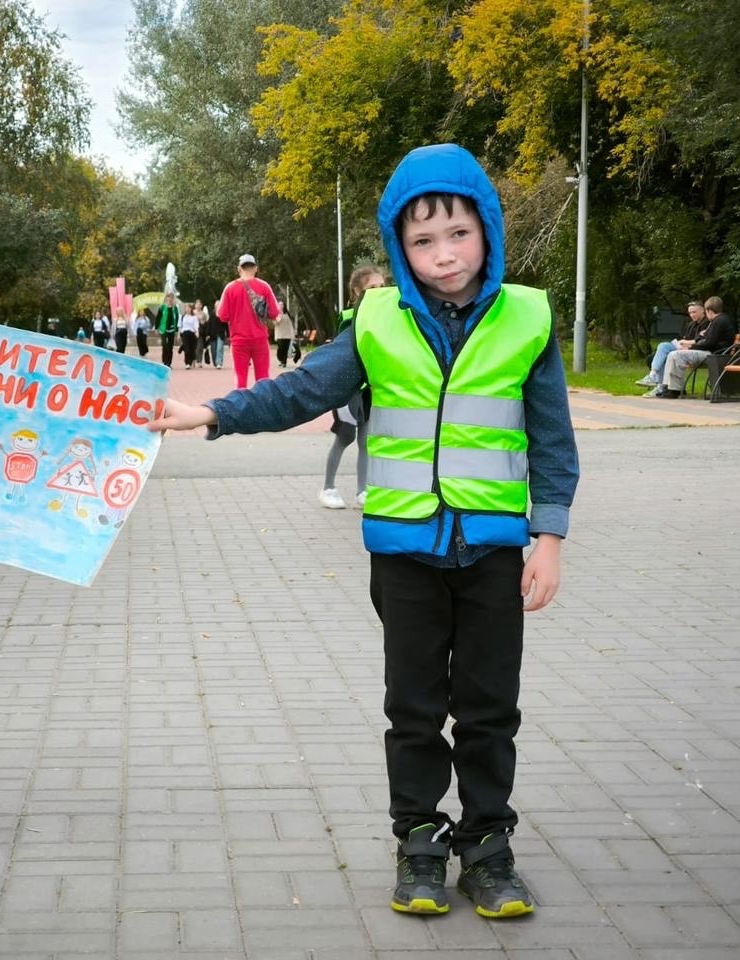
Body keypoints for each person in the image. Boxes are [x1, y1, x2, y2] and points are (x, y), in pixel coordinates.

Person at [149, 144, 578, 920]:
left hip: (493, 554)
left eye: (458, 233)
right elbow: (303, 389)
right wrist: (211, 412)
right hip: (406, 555)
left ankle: (487, 847)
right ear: (397, 246)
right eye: (421, 240)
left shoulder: (528, 317)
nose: (443, 254)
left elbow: (552, 442)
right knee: (413, 707)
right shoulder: (375, 320)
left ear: (488, 230)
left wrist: (548, 538)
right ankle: (418, 841)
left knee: (488, 709)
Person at [319, 264, 385, 510]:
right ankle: (328, 487)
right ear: (357, 291)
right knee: (344, 437)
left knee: (365, 441)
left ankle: (362, 491)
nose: (379, 291)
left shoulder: (387, 318)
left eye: (382, 286)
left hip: (371, 390)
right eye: (372, 287)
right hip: (349, 392)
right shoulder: (350, 319)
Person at [650, 295, 737, 398]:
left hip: (715, 354)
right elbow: (705, 339)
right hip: (712, 352)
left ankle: (674, 390)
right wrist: (699, 340)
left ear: (709, 311)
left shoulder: (719, 321)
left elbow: (709, 343)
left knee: (676, 355)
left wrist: (690, 348)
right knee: (673, 354)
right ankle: (669, 387)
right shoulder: (718, 321)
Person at [217, 253, 279, 388]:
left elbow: (222, 315)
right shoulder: (265, 287)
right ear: (256, 268)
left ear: (239, 269)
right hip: (260, 339)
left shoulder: (230, 288)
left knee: (240, 378)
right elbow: (274, 312)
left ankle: (241, 407)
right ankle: (263, 406)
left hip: (239, 340)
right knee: (263, 378)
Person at [636, 301, 705, 387]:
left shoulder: (707, 323)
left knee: (663, 347)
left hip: (692, 350)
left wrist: (686, 344)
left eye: (694, 312)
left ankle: (654, 377)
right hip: (683, 348)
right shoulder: (691, 324)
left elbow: (701, 341)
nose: (692, 315)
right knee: (661, 351)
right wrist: (682, 343)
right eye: (690, 312)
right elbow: (684, 338)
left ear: (702, 310)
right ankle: (658, 385)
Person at [157, 292, 180, 367]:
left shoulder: (175, 308)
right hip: (164, 329)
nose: (170, 299)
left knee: (170, 347)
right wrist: (157, 327)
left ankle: (169, 363)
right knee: (165, 345)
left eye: (171, 298)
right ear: (166, 298)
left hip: (172, 330)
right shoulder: (162, 307)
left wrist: (177, 329)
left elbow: (177, 318)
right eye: (168, 297)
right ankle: (164, 361)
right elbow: (158, 317)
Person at [179, 303, 200, 368]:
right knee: (187, 348)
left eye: (189, 308)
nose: (187, 309)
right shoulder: (182, 317)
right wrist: (178, 334)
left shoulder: (194, 317)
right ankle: (187, 363)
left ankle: (191, 361)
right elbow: (180, 326)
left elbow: (196, 326)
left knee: (191, 349)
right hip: (185, 333)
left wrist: (197, 332)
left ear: (191, 309)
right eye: (186, 308)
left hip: (192, 334)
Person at [210, 298, 227, 368]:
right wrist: (208, 333)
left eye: (219, 304)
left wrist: (228, 334)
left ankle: (219, 362)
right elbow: (209, 324)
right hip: (213, 334)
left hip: (221, 333)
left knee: (219, 348)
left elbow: (226, 325)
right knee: (213, 350)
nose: (217, 306)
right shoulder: (212, 314)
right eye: (216, 305)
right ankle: (215, 362)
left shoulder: (223, 313)